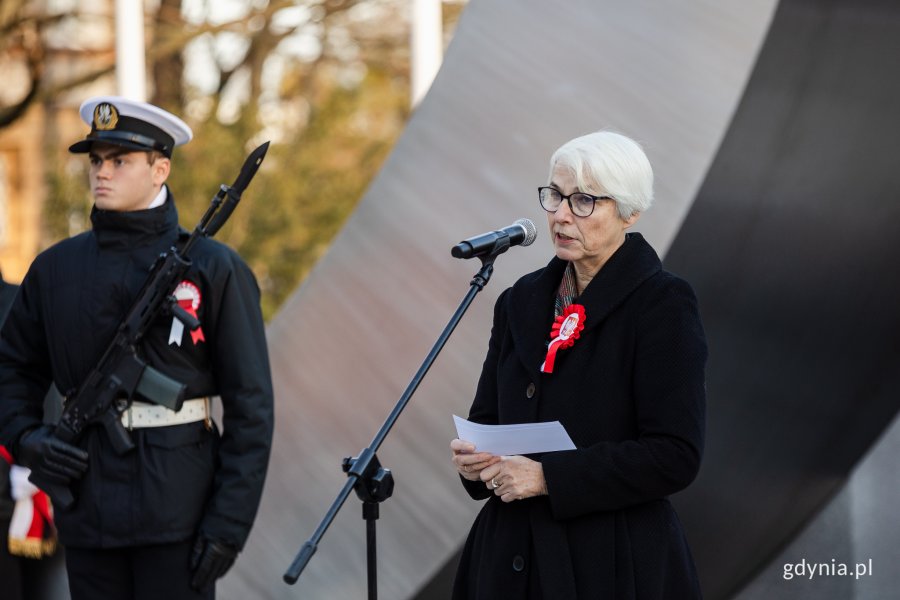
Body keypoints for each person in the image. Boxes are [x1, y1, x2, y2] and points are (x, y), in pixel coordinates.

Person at [0, 96, 274, 600]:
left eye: (119, 160)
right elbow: (12, 369)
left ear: (160, 168)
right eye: (97, 160)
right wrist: (26, 438)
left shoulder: (213, 269)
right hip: (88, 512)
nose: (102, 172)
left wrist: (228, 523)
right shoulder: (55, 270)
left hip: (179, 516)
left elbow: (251, 407)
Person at [450, 131, 707, 599]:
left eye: (584, 200)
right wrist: (475, 462)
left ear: (629, 212)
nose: (562, 215)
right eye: (555, 195)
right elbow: (488, 418)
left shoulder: (662, 304)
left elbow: (675, 454)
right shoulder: (518, 301)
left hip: (609, 561)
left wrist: (548, 478)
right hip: (507, 560)